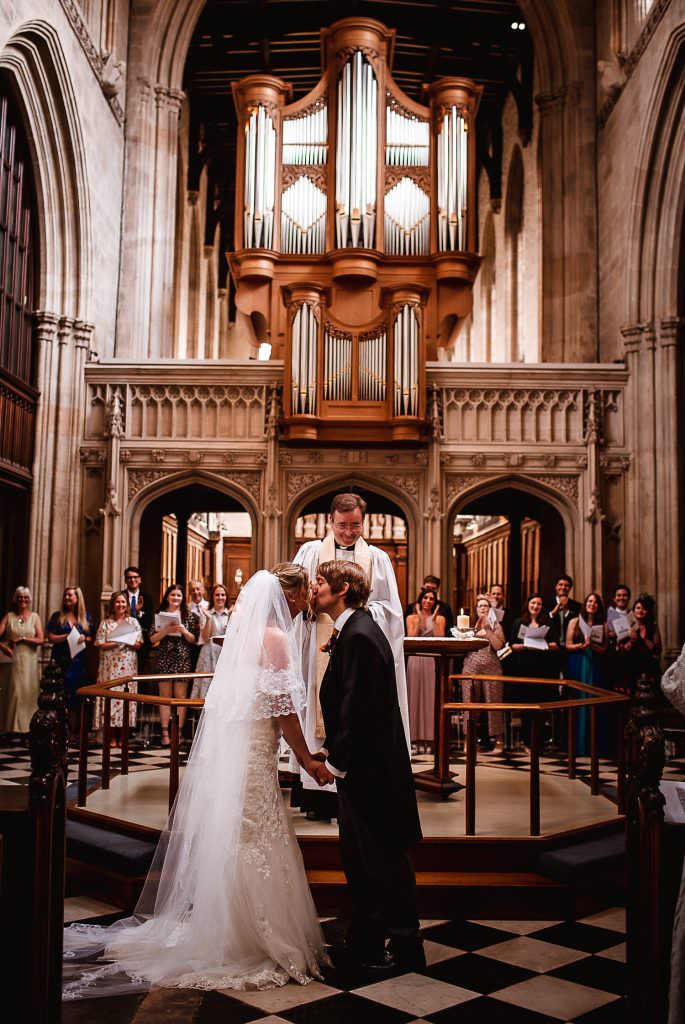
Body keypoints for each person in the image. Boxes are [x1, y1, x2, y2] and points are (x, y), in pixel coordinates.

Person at [63, 565, 330, 998]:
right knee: (256, 836)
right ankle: (256, 937)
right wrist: (304, 756)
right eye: (302, 593)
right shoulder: (276, 638)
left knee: (242, 836)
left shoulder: (246, 637)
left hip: (246, 749)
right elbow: (282, 706)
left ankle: (228, 928)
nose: (305, 600)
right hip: (256, 755)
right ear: (291, 593)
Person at [314, 559, 424, 971]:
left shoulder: (359, 634)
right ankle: (367, 938)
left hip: (371, 771)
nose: (314, 588)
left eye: (321, 582)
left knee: (382, 859)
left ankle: (406, 947)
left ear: (343, 589)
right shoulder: (353, 629)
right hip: (363, 767)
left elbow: (357, 707)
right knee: (360, 859)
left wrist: (336, 761)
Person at [292, 491, 409, 820]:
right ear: (330, 520)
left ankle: (343, 772)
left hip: (357, 640)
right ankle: (318, 790)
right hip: (317, 644)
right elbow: (300, 598)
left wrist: (363, 612)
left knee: (354, 705)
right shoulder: (311, 552)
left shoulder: (378, 558)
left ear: (363, 523)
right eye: (342, 525)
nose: (348, 532)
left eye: (355, 525)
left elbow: (393, 612)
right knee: (325, 702)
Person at [149, 584, 200, 746]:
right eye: (173, 595)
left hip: (182, 657)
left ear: (182, 598)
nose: (176, 598)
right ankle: (165, 734)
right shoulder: (159, 615)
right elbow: (151, 639)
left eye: (179, 595)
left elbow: (193, 640)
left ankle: (177, 732)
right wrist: (165, 630)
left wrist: (184, 630)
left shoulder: (189, 615)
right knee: (164, 697)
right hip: (164, 657)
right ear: (167, 597)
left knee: (180, 697)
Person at [93, 591, 143, 745]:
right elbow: (99, 643)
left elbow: (139, 643)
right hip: (109, 667)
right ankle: (111, 736)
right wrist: (117, 641)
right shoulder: (106, 623)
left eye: (123, 602)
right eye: (117, 602)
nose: (120, 605)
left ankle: (124, 736)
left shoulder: (133, 622)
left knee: (125, 698)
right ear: (113, 605)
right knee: (111, 697)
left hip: (127, 665)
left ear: (127, 605)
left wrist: (129, 641)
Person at [510, 593, 559, 746]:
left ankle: (539, 740)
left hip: (542, 667)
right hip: (524, 666)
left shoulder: (547, 622)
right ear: (528, 604)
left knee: (540, 704)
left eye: (538, 604)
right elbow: (512, 644)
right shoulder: (519, 622)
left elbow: (556, 644)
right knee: (526, 705)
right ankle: (526, 740)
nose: (535, 606)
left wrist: (545, 644)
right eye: (533, 603)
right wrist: (523, 645)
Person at [46, 586, 94, 742]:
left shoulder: (85, 617)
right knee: (61, 695)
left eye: (70, 595)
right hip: (61, 660)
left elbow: (91, 638)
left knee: (77, 697)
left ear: (77, 598)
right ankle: (60, 731)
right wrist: (67, 636)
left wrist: (83, 638)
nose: (67, 598)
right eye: (65, 595)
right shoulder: (57, 616)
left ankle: (74, 732)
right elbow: (51, 637)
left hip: (78, 662)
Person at [565, 593, 609, 756]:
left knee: (595, 700)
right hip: (577, 661)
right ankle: (577, 745)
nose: (593, 604)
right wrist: (581, 645)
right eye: (590, 601)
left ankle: (595, 746)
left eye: (596, 602)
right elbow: (568, 645)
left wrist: (594, 646)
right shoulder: (574, 621)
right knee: (578, 699)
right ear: (585, 604)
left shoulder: (602, 624)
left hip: (595, 664)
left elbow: (605, 648)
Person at [461, 594, 506, 751]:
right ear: (476, 609)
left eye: (486, 606)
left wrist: (488, 631)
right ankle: (468, 740)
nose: (483, 608)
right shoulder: (468, 625)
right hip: (471, 664)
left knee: (494, 702)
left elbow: (499, 646)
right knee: (469, 703)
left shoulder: (495, 625)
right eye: (480, 606)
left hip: (491, 664)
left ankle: (498, 739)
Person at [0, 588, 44, 742]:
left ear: (30, 600)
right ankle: (8, 729)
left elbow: (41, 639)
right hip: (11, 661)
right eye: (20, 597)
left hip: (29, 662)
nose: (23, 600)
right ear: (15, 599)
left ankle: (27, 731)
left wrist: (23, 639)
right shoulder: (9, 616)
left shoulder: (35, 617)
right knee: (11, 693)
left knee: (28, 695)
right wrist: (3, 646)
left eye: (26, 598)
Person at [405, 588, 445, 752]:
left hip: (431, 658)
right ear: (420, 600)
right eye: (426, 598)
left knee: (430, 698)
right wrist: (420, 619)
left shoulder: (440, 618)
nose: (428, 601)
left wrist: (433, 619)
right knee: (414, 697)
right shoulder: (411, 617)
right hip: (415, 658)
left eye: (432, 599)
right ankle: (414, 738)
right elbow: (412, 636)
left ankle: (430, 738)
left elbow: (440, 638)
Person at [191, 584, 231, 699]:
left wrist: (232, 617)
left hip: (225, 654)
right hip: (209, 653)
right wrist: (208, 619)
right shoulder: (206, 613)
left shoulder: (231, 613)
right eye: (217, 595)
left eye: (223, 595)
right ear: (212, 597)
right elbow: (205, 637)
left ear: (226, 597)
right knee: (207, 688)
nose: (220, 597)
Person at [627, 592, 662, 688]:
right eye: (638, 608)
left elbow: (657, 650)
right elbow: (624, 650)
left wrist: (642, 638)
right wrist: (631, 641)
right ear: (633, 611)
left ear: (648, 611)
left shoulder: (653, 627)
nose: (640, 611)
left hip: (649, 666)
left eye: (644, 608)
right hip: (632, 666)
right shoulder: (628, 628)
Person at [123, 566, 153, 670]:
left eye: (135, 577)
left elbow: (149, 622)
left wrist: (138, 612)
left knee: (140, 671)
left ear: (140, 579)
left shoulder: (147, 598)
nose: (132, 580)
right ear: (125, 580)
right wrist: (133, 611)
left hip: (142, 642)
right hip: (123, 640)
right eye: (129, 578)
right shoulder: (120, 596)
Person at [187, 580, 209, 668]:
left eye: (198, 589)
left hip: (206, 646)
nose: (196, 592)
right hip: (190, 649)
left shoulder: (210, 606)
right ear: (189, 593)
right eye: (192, 590)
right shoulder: (186, 608)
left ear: (203, 590)